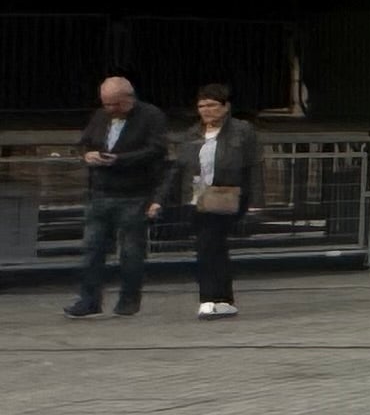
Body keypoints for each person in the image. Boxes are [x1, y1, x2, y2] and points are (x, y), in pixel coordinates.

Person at [64, 74, 170, 319]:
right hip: (100, 193)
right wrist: (88, 155)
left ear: (129, 99)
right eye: (107, 104)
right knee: (92, 249)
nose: (111, 109)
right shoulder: (101, 116)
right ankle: (89, 299)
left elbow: (157, 150)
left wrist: (120, 160)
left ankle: (129, 298)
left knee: (131, 251)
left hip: (133, 193)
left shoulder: (151, 116)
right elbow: (84, 142)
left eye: (116, 104)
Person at [172, 85, 262, 319]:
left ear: (226, 106)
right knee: (214, 247)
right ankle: (222, 298)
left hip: (226, 195)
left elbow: (253, 166)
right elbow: (180, 168)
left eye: (212, 105)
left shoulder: (242, 131)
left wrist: (255, 200)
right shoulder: (193, 134)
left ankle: (209, 297)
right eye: (202, 106)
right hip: (198, 196)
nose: (207, 110)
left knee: (208, 245)